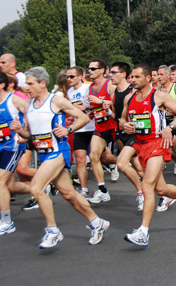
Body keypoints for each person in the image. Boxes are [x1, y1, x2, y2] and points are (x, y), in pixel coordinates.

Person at [12, 67, 109, 248]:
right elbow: (31, 135)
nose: (27, 88)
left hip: (59, 152)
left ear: (42, 83)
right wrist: (20, 131)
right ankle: (97, 222)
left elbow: (83, 117)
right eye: (26, 84)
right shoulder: (30, 105)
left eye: (31, 83)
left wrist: (68, 129)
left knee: (36, 187)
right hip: (43, 153)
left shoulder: (56, 101)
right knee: (69, 194)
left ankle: (52, 230)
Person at [120, 64, 176, 247]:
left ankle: (143, 232)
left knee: (147, 185)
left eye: (137, 77)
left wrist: (169, 128)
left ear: (148, 78)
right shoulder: (129, 99)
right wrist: (125, 125)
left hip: (157, 144)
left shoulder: (158, 96)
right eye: (131, 77)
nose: (132, 80)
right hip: (140, 146)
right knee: (161, 189)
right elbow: (122, 120)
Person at [106, 62, 145, 211]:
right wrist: (108, 111)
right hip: (122, 134)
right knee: (139, 169)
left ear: (123, 74)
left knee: (122, 164)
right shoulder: (114, 93)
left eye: (113, 72)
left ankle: (141, 192)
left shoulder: (133, 91)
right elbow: (116, 117)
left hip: (135, 134)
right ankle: (162, 194)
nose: (110, 75)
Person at [0, 72, 30, 235]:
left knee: (0, 182)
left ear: (2, 85)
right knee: (9, 186)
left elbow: (32, 114)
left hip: (12, 146)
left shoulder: (14, 100)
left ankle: (6, 222)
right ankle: (38, 188)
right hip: (0, 145)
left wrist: (25, 133)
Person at [87, 59, 119, 203]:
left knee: (131, 160)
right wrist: (92, 112)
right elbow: (96, 107)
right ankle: (102, 190)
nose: (90, 71)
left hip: (114, 126)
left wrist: (101, 102)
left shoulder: (110, 85)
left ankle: (142, 190)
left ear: (102, 70)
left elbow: (118, 104)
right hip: (100, 127)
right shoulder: (91, 87)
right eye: (89, 69)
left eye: (93, 69)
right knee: (94, 156)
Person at [66, 66, 98, 199]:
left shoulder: (88, 87)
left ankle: (115, 165)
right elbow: (73, 110)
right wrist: (70, 117)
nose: (69, 79)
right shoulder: (69, 92)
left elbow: (96, 105)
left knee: (99, 157)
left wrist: (86, 109)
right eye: (67, 77)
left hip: (93, 127)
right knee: (80, 159)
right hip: (80, 129)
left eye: (72, 76)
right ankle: (84, 189)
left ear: (80, 76)